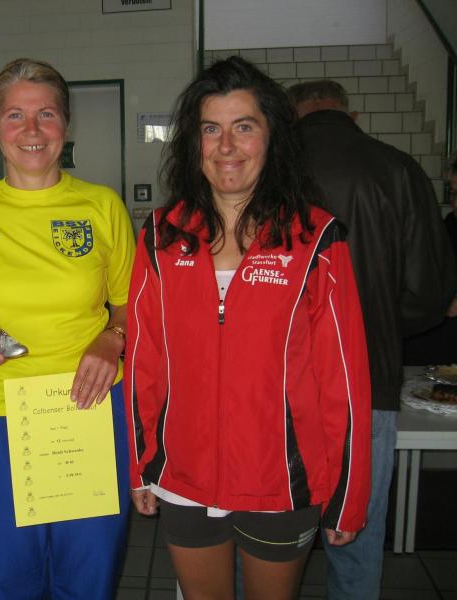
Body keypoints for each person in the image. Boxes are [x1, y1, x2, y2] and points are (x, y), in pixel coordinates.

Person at [126, 56, 371, 600]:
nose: (226, 146)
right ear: (194, 142)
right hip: (184, 479)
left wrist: (348, 495)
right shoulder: (162, 235)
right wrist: (142, 465)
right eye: (210, 129)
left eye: (244, 127)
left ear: (272, 136)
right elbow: (145, 362)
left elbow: (345, 379)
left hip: (281, 483)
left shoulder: (315, 238)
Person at [0, 58, 135, 599]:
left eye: (46, 114)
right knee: (9, 578)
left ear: (65, 124)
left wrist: (112, 339)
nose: (32, 129)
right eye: (15, 115)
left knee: (88, 575)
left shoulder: (101, 206)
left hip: (87, 408)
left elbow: (132, 305)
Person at [288, 79, 457, 599]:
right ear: (351, 115)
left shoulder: (270, 166)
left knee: (269, 531)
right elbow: (430, 293)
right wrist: (375, 327)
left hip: (281, 382)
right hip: (368, 380)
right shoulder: (400, 169)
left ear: (291, 116)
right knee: (356, 530)